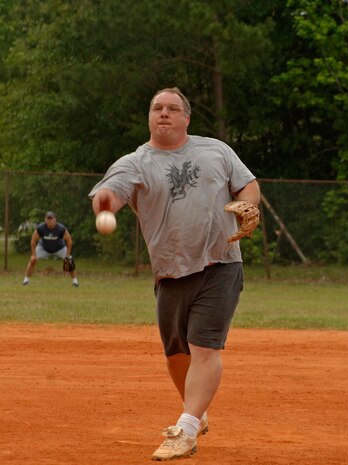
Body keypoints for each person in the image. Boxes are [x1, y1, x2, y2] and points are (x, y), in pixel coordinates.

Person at [89, 87, 260, 461]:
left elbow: (247, 183)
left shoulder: (215, 150)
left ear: (186, 118)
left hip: (221, 261)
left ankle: (185, 428)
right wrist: (106, 203)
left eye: (172, 108)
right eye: (157, 108)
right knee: (176, 353)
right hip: (170, 270)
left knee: (204, 346)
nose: (163, 113)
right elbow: (110, 194)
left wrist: (248, 204)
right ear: (150, 118)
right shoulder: (134, 163)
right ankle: (197, 410)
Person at [23, 211, 79, 287]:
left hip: (59, 248)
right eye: (48, 219)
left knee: (69, 261)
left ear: (55, 219)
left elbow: (69, 240)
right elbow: (33, 239)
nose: (50, 221)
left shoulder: (61, 228)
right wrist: (33, 255)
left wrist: (68, 255)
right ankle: (26, 281)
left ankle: (75, 282)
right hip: (43, 247)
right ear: (45, 220)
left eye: (51, 218)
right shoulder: (41, 228)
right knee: (33, 260)